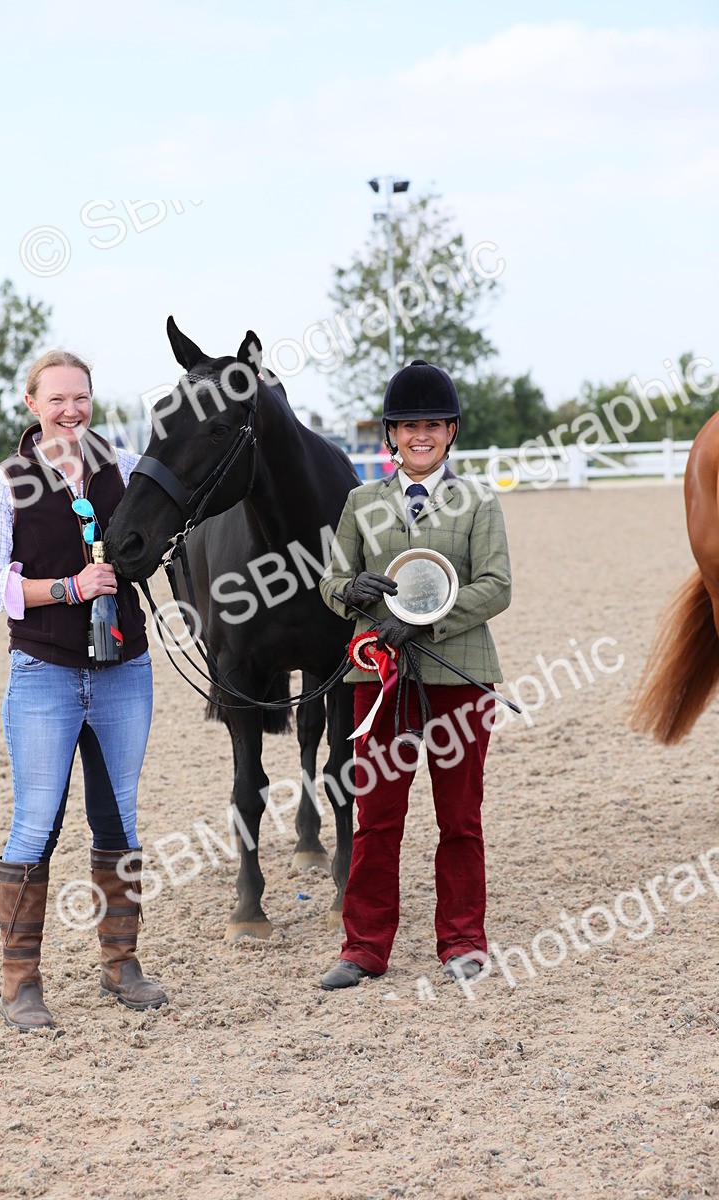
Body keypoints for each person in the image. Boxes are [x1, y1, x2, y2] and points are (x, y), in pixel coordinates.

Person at [0, 349, 167, 1031]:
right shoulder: (6, 484)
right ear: (31, 406)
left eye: (80, 398)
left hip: (123, 672)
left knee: (119, 822)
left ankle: (121, 966)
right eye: (57, 400)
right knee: (35, 825)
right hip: (44, 673)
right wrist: (67, 589)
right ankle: (21, 983)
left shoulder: (126, 468)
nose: (71, 411)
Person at [318, 359, 511, 990]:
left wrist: (428, 623)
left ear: (451, 432)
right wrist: (354, 589)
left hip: (459, 675)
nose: (419, 436)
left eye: (432, 424)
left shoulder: (478, 501)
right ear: (390, 434)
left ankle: (462, 938)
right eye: (407, 426)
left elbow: (496, 586)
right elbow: (329, 582)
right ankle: (365, 946)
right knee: (377, 814)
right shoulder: (360, 503)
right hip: (380, 675)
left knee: (460, 815)